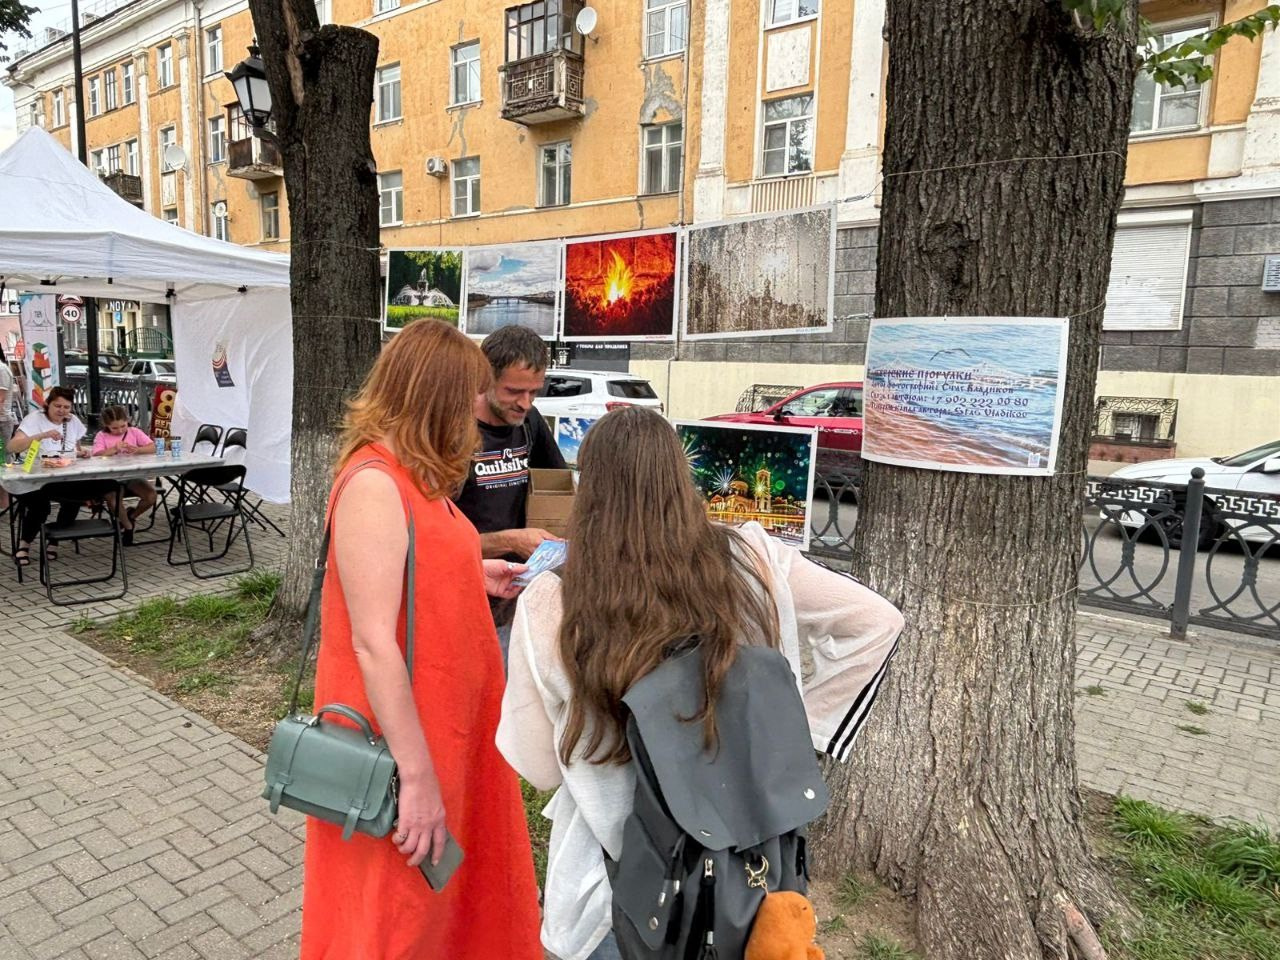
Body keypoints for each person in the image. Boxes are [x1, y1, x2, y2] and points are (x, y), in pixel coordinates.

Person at [496, 406, 905, 960]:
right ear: (680, 476)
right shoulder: (752, 558)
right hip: (746, 882)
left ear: (587, 490)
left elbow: (540, 767)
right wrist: (793, 728)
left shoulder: (554, 598)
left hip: (614, 892)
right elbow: (876, 622)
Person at [301, 319, 542, 960]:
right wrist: (417, 778)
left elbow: (414, 570)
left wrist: (474, 573)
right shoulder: (375, 483)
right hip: (404, 738)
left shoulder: (411, 475)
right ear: (434, 396)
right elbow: (374, 642)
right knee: (396, 911)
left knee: (442, 903)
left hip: (448, 726)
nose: (475, 414)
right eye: (468, 397)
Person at [453, 324, 567, 660]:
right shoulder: (455, 432)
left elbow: (560, 487)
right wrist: (511, 540)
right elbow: (431, 540)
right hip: (463, 601)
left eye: (534, 392)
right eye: (514, 391)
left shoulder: (531, 424)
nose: (525, 403)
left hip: (517, 604)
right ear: (484, 379)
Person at [6, 385, 90, 566]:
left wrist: (81, 453)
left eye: (66, 407)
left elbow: (75, 449)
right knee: (40, 507)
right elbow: (12, 447)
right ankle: (24, 545)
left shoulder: (72, 421)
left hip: (62, 477)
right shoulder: (34, 419)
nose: (62, 411)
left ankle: (54, 542)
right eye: (57, 406)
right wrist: (41, 435)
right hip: (34, 478)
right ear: (48, 404)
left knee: (74, 498)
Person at [91, 404, 158, 545]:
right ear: (106, 425)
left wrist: (138, 450)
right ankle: (127, 528)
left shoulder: (134, 432)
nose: (120, 430)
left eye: (123, 426)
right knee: (114, 501)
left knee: (151, 496)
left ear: (127, 421)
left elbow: (153, 447)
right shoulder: (102, 435)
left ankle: (130, 516)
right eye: (114, 428)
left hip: (132, 475)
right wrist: (114, 449)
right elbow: (97, 455)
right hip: (111, 477)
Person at [0, 345, 14, 512]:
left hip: (1, 421)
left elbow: (0, 398)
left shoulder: (1, 370)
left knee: (2, 461)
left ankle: (5, 503)